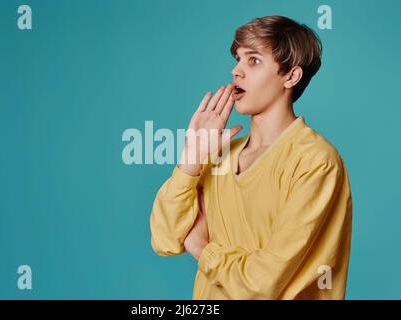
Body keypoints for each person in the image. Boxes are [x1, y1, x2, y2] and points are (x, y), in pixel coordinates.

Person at [150, 15, 352, 299]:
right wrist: (192, 156)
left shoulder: (316, 162)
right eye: (238, 59)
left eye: (253, 60)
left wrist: (201, 249)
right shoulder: (218, 155)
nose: (236, 71)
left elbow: (264, 283)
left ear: (291, 76)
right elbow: (165, 239)